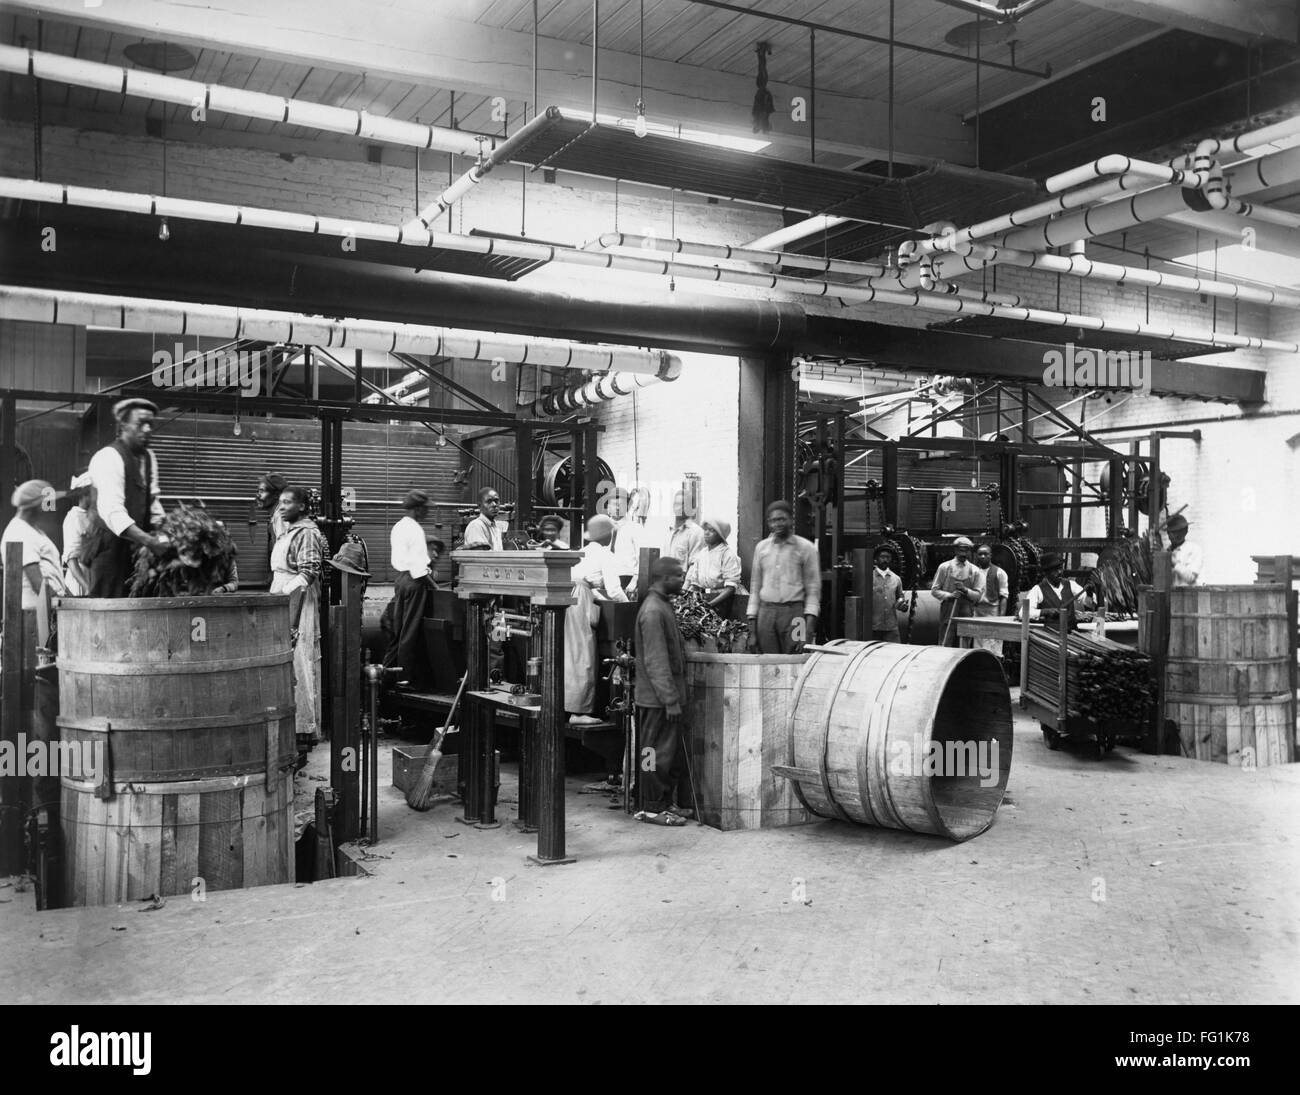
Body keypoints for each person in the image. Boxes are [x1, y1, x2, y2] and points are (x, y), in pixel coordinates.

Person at [83, 398, 168, 596]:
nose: (147, 429)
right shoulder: (108, 457)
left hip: (138, 551)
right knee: (110, 610)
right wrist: (150, 541)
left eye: (150, 424)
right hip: (109, 551)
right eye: (140, 424)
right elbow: (112, 511)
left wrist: (162, 530)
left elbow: (153, 502)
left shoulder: (149, 458)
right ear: (123, 426)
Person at [270, 486, 329, 754]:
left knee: (299, 660)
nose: (282, 507)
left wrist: (285, 595)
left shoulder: (306, 533)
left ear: (303, 507)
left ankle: (302, 729)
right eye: (280, 502)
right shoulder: (287, 531)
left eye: (288, 503)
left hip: (298, 599)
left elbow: (309, 572)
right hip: (283, 594)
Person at [634, 556, 692, 826]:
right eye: (679, 575)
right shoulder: (654, 611)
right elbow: (656, 661)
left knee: (665, 755)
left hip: (662, 698)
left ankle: (664, 803)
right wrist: (670, 700)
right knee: (652, 754)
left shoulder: (662, 606)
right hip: (656, 700)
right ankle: (651, 807)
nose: (683, 579)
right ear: (665, 578)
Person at [746, 499, 820, 654]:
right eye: (773, 520)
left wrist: (808, 631)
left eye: (781, 519)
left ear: (791, 520)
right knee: (768, 664)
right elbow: (754, 588)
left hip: (794, 615)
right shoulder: (761, 548)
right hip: (766, 614)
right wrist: (752, 631)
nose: (777, 524)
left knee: (794, 659)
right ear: (768, 523)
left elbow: (813, 591)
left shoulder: (806, 548)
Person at [385, 490, 435, 688]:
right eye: (425, 509)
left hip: (400, 581)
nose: (427, 513)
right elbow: (419, 569)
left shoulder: (399, 526)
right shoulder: (415, 530)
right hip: (415, 582)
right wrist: (436, 588)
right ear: (417, 509)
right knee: (410, 631)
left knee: (398, 631)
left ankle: (387, 675)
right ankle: (404, 679)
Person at [1, 480, 67, 612]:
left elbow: (54, 574)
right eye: (49, 503)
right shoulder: (19, 532)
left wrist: (70, 599)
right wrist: (65, 608)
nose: (53, 508)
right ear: (37, 506)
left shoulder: (34, 530)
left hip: (48, 608)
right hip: (34, 615)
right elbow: (38, 585)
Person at [930, 536, 984, 646]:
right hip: (948, 610)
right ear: (955, 550)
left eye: (966, 550)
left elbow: (978, 596)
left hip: (966, 612)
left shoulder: (975, 571)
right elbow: (934, 590)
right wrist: (950, 595)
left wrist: (965, 590)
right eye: (961, 550)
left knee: (964, 643)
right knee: (945, 640)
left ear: (970, 551)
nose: (963, 553)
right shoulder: (944, 567)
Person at [684, 516, 742, 613]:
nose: (706, 533)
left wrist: (710, 605)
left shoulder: (727, 554)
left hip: (723, 600)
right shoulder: (702, 553)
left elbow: (730, 587)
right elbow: (695, 584)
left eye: (712, 530)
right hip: (705, 598)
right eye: (705, 529)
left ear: (720, 535)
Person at [1027, 552, 1093, 630]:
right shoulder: (1037, 590)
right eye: (1055, 570)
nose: (1059, 572)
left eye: (1060, 568)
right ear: (1046, 573)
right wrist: (1045, 611)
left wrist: (1091, 593)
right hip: (1051, 637)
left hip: (1072, 635)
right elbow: (1023, 613)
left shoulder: (1071, 585)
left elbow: (1087, 601)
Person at [573, 514, 629, 603]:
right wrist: (628, 604)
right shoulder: (605, 555)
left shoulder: (583, 551)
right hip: (582, 598)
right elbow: (614, 591)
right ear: (606, 534)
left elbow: (586, 583)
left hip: (571, 595)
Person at [607, 488, 646, 594]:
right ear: (608, 508)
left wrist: (634, 581)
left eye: (621, 504)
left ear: (628, 507)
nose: (618, 507)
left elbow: (642, 558)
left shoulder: (636, 529)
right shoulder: (603, 529)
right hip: (606, 579)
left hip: (627, 580)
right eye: (615, 504)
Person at [61, 471, 94, 596]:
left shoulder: (95, 516)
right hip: (80, 579)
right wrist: (87, 587)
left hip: (94, 576)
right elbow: (71, 560)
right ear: (85, 495)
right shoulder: (73, 518)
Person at [973, 543, 1009, 655]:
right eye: (980, 554)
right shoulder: (974, 572)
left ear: (991, 555)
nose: (982, 557)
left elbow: (1004, 596)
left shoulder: (1000, 572)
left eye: (985, 554)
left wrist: (1001, 618)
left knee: (993, 643)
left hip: (993, 611)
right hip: (977, 611)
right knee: (978, 643)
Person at [869, 544, 907, 643]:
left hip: (891, 627)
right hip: (873, 627)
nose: (885, 560)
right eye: (882, 557)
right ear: (876, 559)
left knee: (894, 654)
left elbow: (900, 598)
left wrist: (902, 605)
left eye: (888, 557)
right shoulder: (869, 577)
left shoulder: (896, 579)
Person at [662, 489, 705, 573]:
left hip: (683, 583)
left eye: (684, 504)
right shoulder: (669, 530)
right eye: (676, 504)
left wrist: (685, 585)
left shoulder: (696, 532)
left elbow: (695, 565)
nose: (679, 507)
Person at [255, 473, 289, 574]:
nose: (258, 495)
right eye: (258, 491)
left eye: (262, 491)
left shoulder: (282, 518)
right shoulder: (277, 515)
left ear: (276, 495)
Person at [1166, 513, 1202, 588]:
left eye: (1176, 532)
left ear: (1185, 532)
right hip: (1170, 595)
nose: (1171, 536)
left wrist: (1174, 563)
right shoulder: (1167, 551)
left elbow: (1191, 578)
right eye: (1170, 532)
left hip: (1189, 595)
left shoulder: (1194, 549)